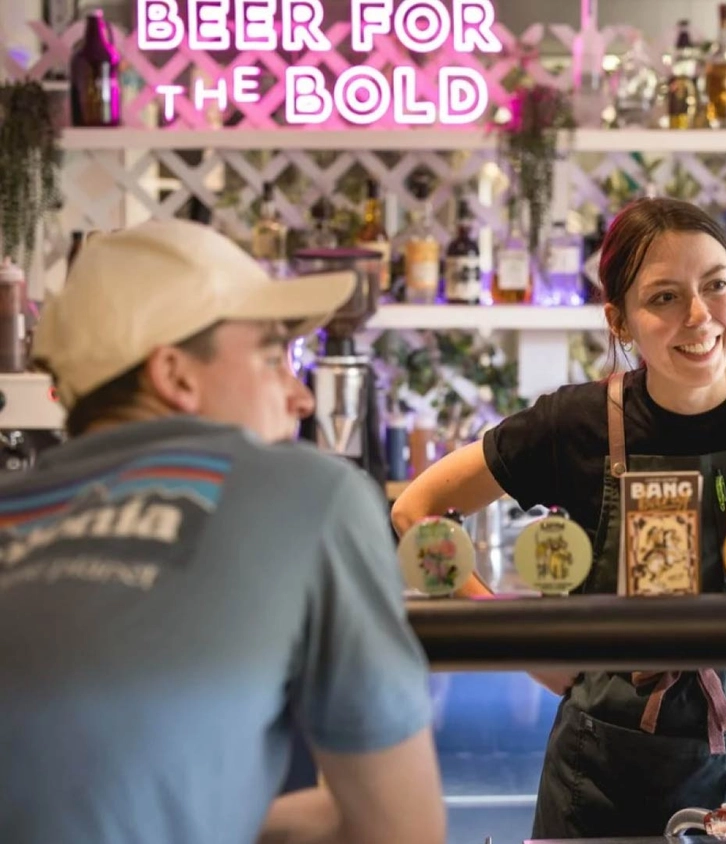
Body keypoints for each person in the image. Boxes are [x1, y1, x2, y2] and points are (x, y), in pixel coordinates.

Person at [393, 197, 726, 838]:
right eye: (664, 297)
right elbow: (417, 510)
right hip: (603, 776)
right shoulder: (575, 422)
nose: (699, 316)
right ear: (621, 320)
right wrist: (521, 647)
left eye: (715, 285)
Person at [0, 221, 445, 844]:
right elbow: (404, 833)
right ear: (176, 376)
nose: (302, 399)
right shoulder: (310, 493)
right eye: (271, 359)